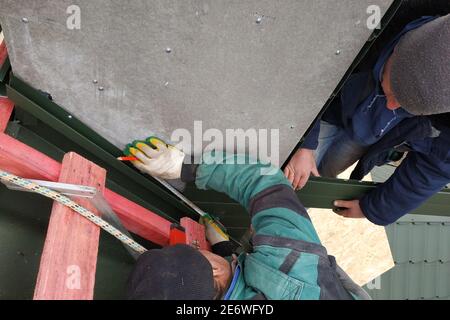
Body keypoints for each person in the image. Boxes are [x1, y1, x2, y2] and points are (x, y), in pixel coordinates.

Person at [123, 137, 370, 300]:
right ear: (214, 269)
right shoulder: (293, 263)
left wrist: (225, 249)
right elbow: (264, 182)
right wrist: (185, 169)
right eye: (194, 250)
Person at [285, 6, 450, 226]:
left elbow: (440, 162)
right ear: (397, 47)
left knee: (318, 176)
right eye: (391, 91)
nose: (391, 104)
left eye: (404, 105)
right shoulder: (378, 13)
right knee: (289, 167)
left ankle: (289, 211)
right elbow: (304, 59)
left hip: (370, 135)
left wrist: (375, 208)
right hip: (327, 106)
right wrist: (303, 142)